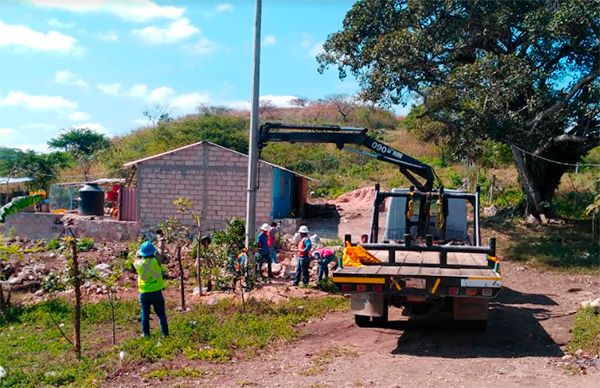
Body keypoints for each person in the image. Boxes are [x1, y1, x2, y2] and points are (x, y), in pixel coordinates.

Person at [134, 241, 169, 337]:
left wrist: (138, 252)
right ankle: (165, 334)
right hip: (156, 291)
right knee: (161, 314)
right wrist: (160, 244)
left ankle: (146, 335)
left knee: (145, 314)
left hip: (144, 292)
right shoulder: (156, 261)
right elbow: (160, 254)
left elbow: (136, 257)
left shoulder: (138, 264)